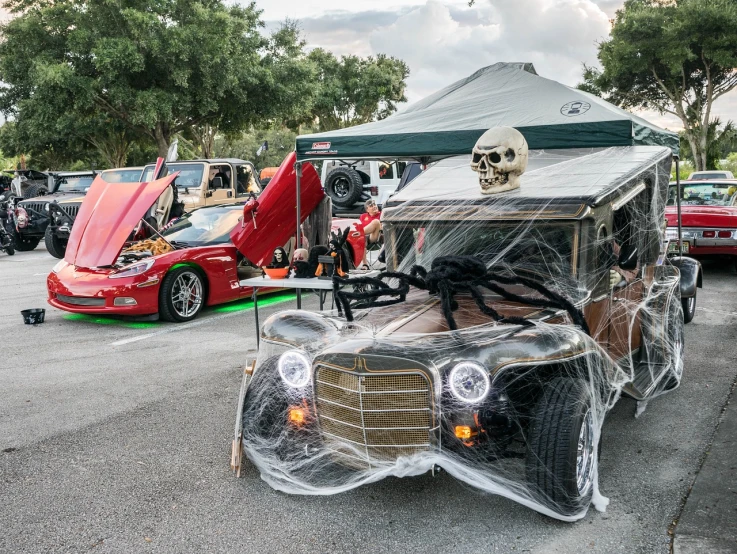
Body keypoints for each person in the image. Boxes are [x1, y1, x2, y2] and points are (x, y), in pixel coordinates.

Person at [357, 199, 381, 269]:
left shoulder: (381, 214)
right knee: (362, 237)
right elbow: (359, 226)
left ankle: (356, 235)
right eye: (371, 206)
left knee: (376, 222)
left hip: (375, 237)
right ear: (367, 210)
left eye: (375, 205)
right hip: (364, 238)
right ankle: (365, 264)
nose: (374, 206)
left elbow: (383, 227)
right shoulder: (363, 216)